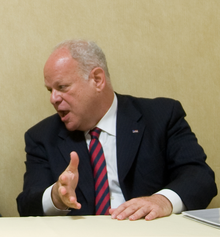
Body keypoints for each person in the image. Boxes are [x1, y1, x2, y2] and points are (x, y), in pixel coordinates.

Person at [17, 39, 217, 220]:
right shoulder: (42, 136)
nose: (53, 98)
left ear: (97, 79)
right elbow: (27, 204)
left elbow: (200, 177)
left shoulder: (161, 116)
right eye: (50, 90)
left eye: (62, 87)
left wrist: (162, 201)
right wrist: (55, 197)